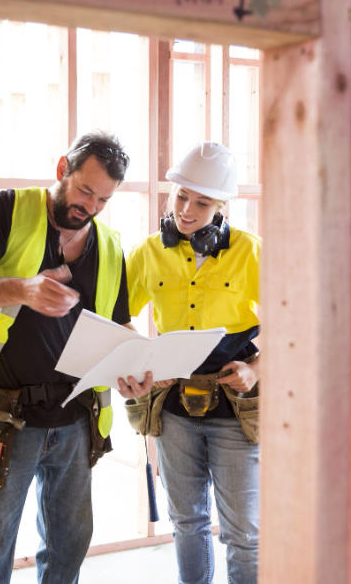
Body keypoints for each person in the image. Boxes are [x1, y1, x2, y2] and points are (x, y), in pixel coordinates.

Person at [0, 131, 132, 584]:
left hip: (76, 418)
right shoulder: (6, 209)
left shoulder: (110, 244)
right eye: (84, 191)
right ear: (62, 170)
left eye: (103, 199)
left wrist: (134, 367)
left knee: (69, 546)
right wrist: (22, 288)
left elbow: (121, 326)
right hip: (6, 413)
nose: (90, 207)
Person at [116, 142, 261, 584]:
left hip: (236, 408)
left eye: (202, 202)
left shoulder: (250, 251)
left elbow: (299, 322)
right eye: (180, 196)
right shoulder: (148, 253)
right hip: (174, 408)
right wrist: (132, 362)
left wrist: (258, 369)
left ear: (222, 207)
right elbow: (115, 315)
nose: (186, 210)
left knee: (244, 533)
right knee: (188, 524)